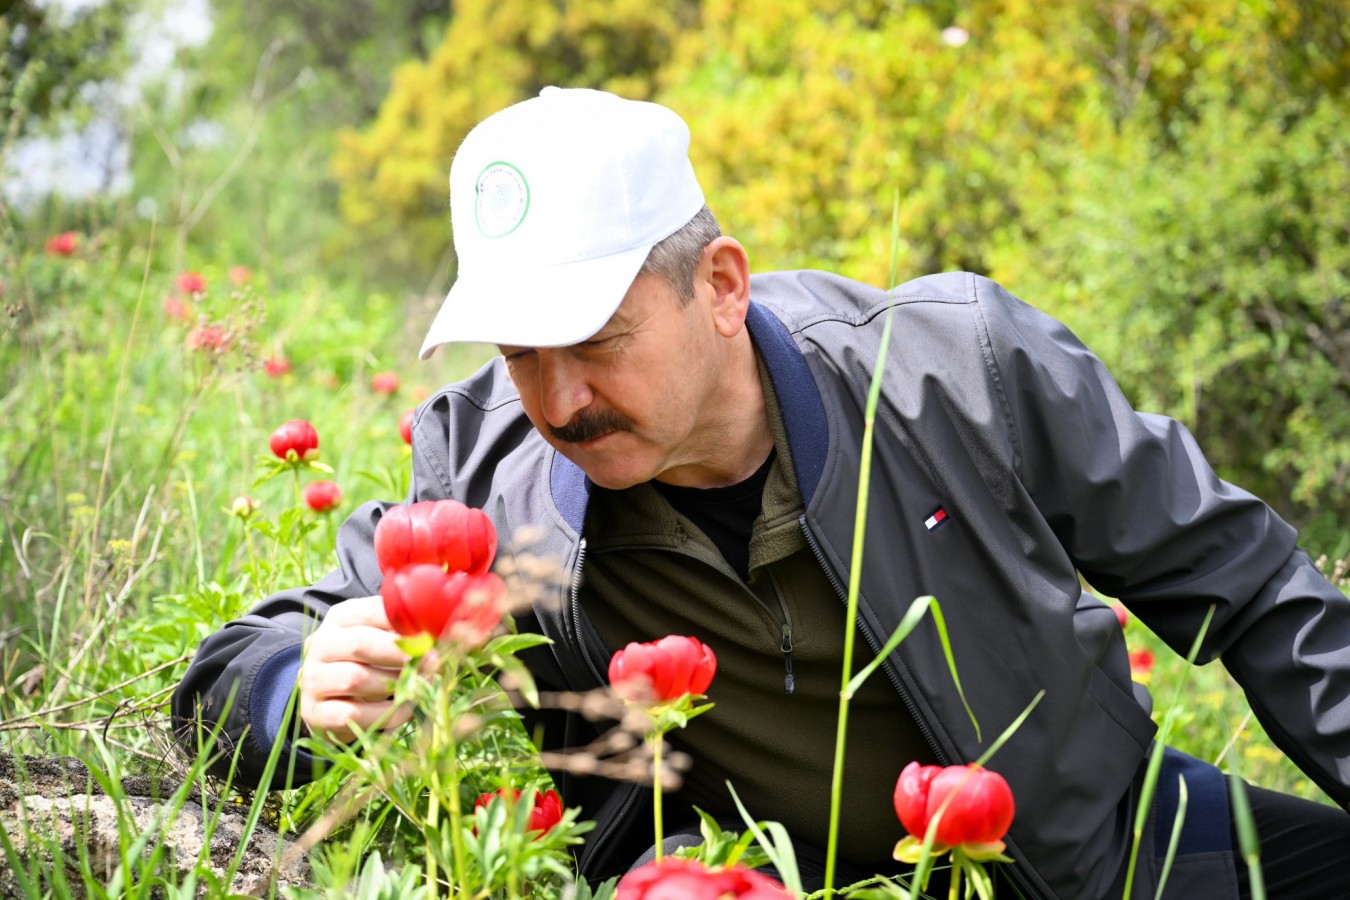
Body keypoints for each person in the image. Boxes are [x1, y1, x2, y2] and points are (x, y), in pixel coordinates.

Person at [172, 87, 1350, 898]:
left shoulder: (963, 369)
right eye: (519, 349)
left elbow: (1251, 590)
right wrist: (296, 685)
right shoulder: (488, 465)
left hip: (1095, 848)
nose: (560, 394)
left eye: (596, 336)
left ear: (721, 284)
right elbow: (231, 668)